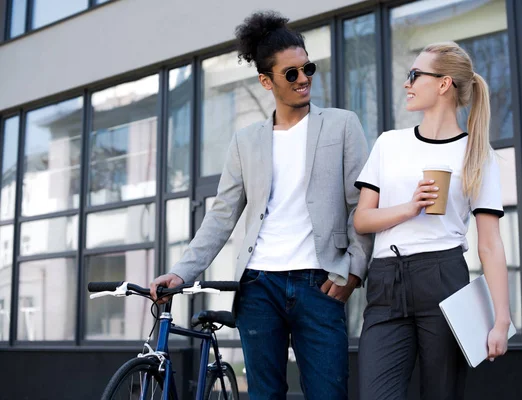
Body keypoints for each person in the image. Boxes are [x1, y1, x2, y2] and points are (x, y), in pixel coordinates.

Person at [150, 10, 372, 400]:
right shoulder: (245, 141)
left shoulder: (342, 125)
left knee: (329, 392)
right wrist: (181, 272)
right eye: (291, 73)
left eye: (308, 69)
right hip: (258, 287)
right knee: (265, 395)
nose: (303, 79)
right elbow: (221, 215)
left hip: (319, 283)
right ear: (266, 81)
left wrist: (353, 272)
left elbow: (362, 204)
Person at [354, 41, 511, 400]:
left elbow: (490, 243)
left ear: (443, 84)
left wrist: (501, 319)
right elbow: (362, 219)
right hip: (386, 282)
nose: (407, 84)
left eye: (414, 75)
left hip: (443, 277)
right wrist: (408, 208)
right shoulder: (389, 144)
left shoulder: (476, 153)